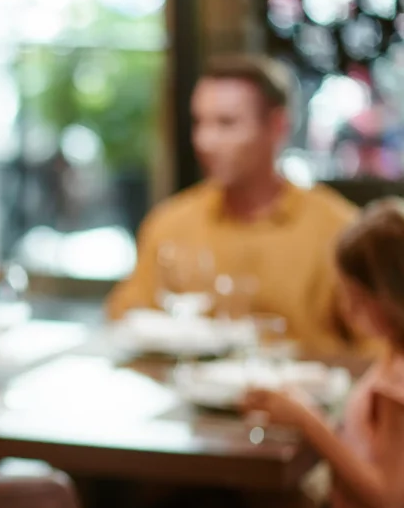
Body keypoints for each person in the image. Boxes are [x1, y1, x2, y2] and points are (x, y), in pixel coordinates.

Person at [106, 55, 362, 354]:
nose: (205, 141)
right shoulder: (170, 223)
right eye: (199, 122)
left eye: (226, 123)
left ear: (277, 125)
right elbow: (126, 322)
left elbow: (384, 352)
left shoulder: (339, 230)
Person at [242, 198, 404, 508]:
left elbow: (388, 502)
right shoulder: (392, 355)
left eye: (353, 296)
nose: (346, 309)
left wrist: (308, 421)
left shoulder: (397, 381)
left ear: (384, 297)